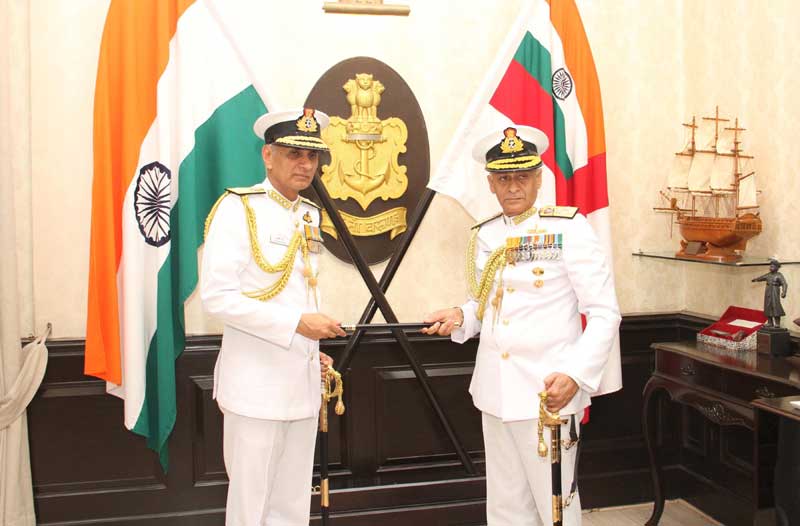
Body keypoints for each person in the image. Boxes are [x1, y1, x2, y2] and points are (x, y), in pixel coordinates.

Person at [422, 126, 621, 526]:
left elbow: (604, 312)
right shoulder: (487, 234)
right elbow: (489, 304)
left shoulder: (568, 228)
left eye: (522, 177)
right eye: (503, 178)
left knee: (555, 508)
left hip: (548, 392)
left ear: (538, 178)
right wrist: (462, 315)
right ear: (491, 183)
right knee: (506, 508)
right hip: (496, 392)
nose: (513, 187)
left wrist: (576, 374)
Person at [201, 108, 346, 526]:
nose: (305, 164)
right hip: (255, 388)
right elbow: (217, 298)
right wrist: (296, 325)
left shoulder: (309, 214)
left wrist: (312, 348)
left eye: (312, 156)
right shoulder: (238, 208)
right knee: (251, 508)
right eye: (293, 154)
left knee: (291, 507)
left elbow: (302, 293)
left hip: (301, 384)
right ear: (268, 155)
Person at [752, 258, 788, 327]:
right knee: (767, 306)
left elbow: (784, 284)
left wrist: (784, 292)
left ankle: (777, 323)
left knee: (776, 305)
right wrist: (756, 279)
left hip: (775, 290)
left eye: (772, 266)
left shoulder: (779, 275)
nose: (771, 268)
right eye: (770, 266)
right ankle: (770, 322)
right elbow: (762, 277)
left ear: (777, 267)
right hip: (768, 291)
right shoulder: (768, 275)